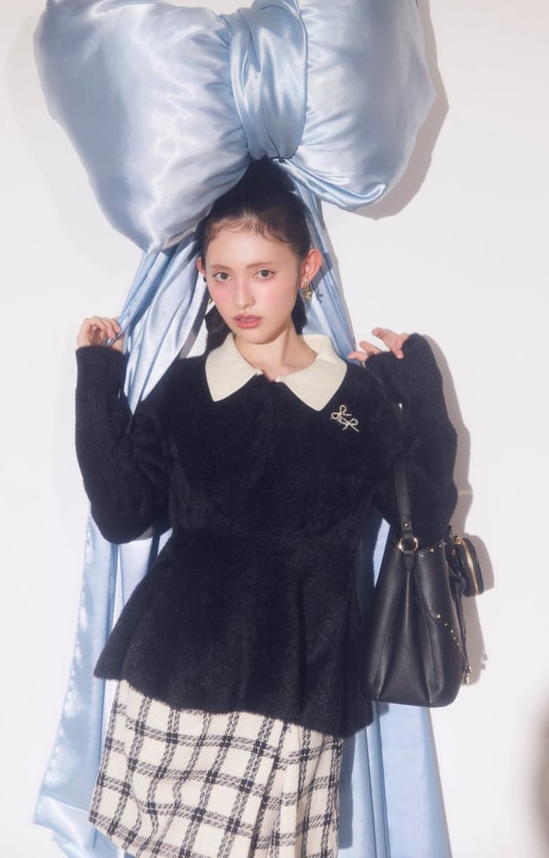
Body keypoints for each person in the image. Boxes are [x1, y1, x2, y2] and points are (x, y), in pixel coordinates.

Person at [74, 159, 457, 858]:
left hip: (300, 681)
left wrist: (422, 396)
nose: (241, 296)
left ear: (307, 268)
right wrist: (97, 382)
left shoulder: (357, 401)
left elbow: (425, 519)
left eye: (262, 271)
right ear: (202, 274)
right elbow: (123, 513)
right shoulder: (186, 390)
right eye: (222, 274)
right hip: (176, 671)